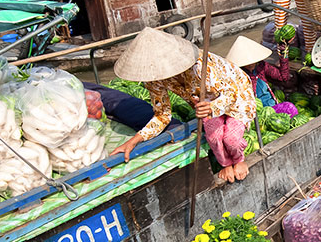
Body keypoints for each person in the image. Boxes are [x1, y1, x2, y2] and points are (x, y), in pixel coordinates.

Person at [110, 29, 261, 184]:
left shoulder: (201, 67)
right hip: (204, 104)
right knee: (214, 137)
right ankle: (226, 164)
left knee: (231, 139)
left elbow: (232, 94)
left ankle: (239, 160)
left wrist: (212, 107)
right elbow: (162, 115)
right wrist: (135, 140)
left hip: (236, 98)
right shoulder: (154, 79)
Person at [227, 35, 286, 110]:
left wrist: (283, 56)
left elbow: (283, 77)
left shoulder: (262, 66)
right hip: (254, 110)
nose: (250, 64)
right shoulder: (237, 74)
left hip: (271, 105)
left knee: (289, 107)